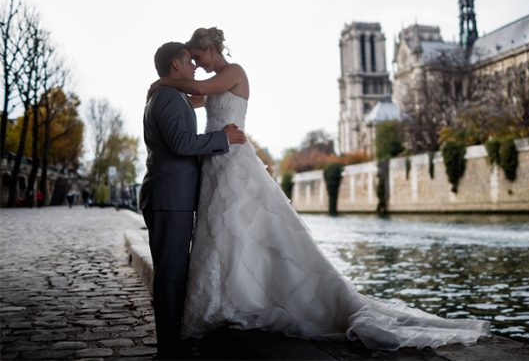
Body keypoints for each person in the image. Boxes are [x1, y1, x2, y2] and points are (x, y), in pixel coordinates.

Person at [152, 27, 490, 352]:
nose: (198, 65)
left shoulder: (233, 71)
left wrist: (162, 82)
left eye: (199, 57)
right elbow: (195, 98)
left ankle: (244, 297)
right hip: (217, 159)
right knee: (224, 230)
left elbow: (199, 90)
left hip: (233, 157)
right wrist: (174, 88)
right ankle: (229, 296)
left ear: (211, 48)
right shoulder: (213, 81)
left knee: (239, 226)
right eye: (192, 60)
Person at [139, 41, 247, 360]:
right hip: (170, 197)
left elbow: (198, 97)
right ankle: (170, 349)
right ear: (176, 64)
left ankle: (173, 341)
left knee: (173, 272)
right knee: (171, 275)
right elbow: (182, 143)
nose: (194, 66)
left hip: (172, 195)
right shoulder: (169, 97)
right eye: (189, 61)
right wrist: (223, 139)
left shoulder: (171, 96)